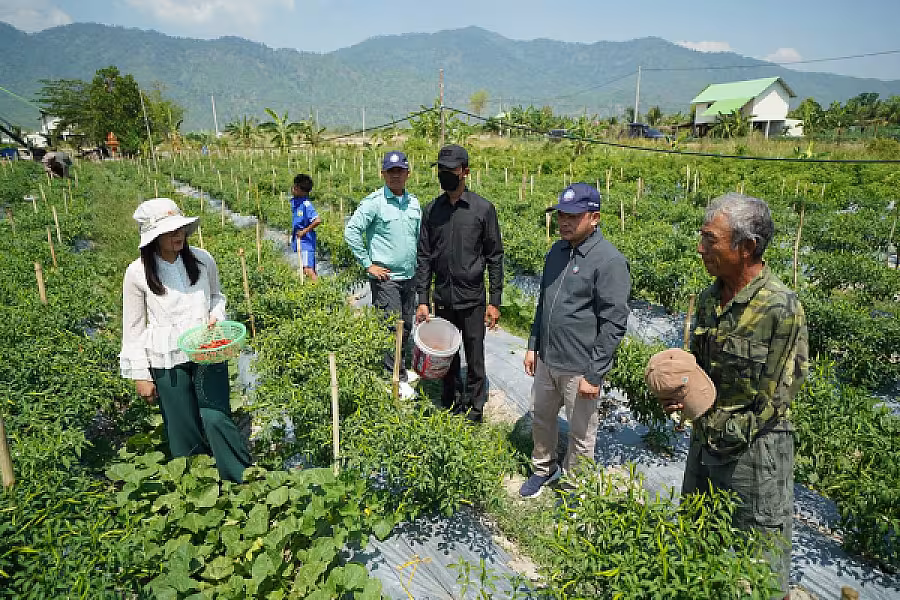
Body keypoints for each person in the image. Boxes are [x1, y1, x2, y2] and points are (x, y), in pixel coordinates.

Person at [659, 192, 808, 599]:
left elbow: (781, 393)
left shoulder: (780, 307)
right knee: (695, 539)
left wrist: (726, 430)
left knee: (758, 558)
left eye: (711, 239)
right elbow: (701, 372)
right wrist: (681, 391)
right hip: (705, 438)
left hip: (755, 451)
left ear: (747, 247)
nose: (701, 248)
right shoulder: (710, 299)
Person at [119, 198, 252, 483]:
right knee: (181, 427)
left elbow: (217, 297)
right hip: (167, 358)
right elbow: (133, 327)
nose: (178, 235)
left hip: (207, 349)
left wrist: (215, 315)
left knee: (216, 416)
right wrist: (141, 375)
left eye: (180, 228)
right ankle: (196, 486)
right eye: (170, 231)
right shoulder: (137, 273)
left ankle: (240, 481)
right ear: (153, 238)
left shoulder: (203, 260)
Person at [519, 183, 631, 498]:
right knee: (541, 417)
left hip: (579, 366)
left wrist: (594, 374)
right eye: (561, 216)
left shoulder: (609, 261)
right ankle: (544, 468)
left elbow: (614, 323)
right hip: (547, 358)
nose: (564, 222)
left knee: (582, 434)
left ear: (594, 218)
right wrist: (532, 345)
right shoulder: (556, 252)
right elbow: (544, 303)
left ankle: (575, 487)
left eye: (573, 216)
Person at [415, 144, 503, 423]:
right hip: (443, 297)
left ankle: (475, 410)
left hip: (473, 298)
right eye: (441, 170)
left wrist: (495, 301)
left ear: (465, 172)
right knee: (447, 355)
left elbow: (495, 257)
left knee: (475, 356)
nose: (445, 176)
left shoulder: (482, 210)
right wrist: (422, 299)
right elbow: (424, 257)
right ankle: (450, 403)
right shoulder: (432, 211)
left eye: (450, 171)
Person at [344, 151, 421, 399]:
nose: (395, 176)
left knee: (406, 325)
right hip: (386, 279)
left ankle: (399, 368)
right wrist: (368, 264)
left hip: (410, 276)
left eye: (399, 171)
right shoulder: (373, 202)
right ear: (383, 174)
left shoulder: (414, 203)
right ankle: (393, 379)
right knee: (391, 327)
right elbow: (352, 231)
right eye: (391, 172)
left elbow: (420, 237)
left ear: (408, 174)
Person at [289, 174, 321, 281]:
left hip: (306, 242)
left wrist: (304, 231)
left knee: (308, 270)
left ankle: (319, 291)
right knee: (305, 268)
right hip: (299, 241)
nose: (293, 188)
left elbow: (317, 220)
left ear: (302, 191)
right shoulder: (296, 202)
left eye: (296, 187)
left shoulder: (306, 205)